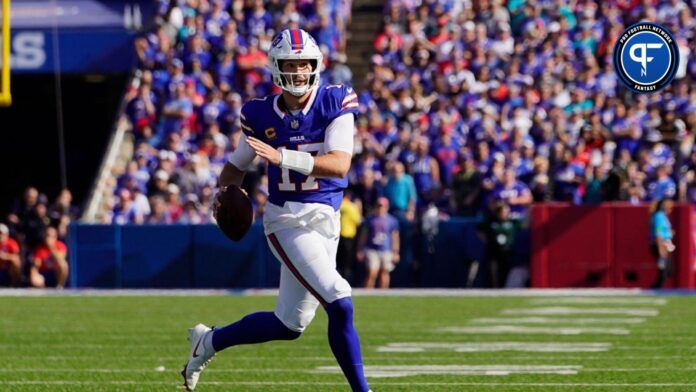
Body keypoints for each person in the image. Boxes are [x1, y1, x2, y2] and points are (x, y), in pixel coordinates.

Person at [181, 29, 371, 392]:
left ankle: (208, 342)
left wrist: (282, 156)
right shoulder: (258, 113)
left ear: (315, 65)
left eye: (304, 64)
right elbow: (236, 165)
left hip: (326, 219)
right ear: (276, 67)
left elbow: (339, 164)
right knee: (340, 300)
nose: (299, 72)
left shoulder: (335, 100)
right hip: (287, 221)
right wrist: (226, 193)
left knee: (289, 325)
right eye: (290, 64)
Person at [357, 197, 400, 288]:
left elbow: (395, 237)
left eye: (382, 206)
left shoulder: (392, 221)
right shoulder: (369, 220)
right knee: (372, 272)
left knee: (384, 273)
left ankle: (383, 295)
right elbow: (363, 236)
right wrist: (360, 249)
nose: (380, 208)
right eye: (378, 206)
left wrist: (395, 252)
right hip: (372, 249)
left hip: (386, 249)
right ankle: (368, 293)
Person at [650, 198, 675, 289]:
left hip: (666, 243)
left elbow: (664, 230)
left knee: (668, 269)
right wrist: (661, 248)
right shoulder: (659, 216)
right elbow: (658, 233)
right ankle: (656, 288)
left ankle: (657, 287)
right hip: (661, 244)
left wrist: (669, 233)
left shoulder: (663, 216)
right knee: (664, 269)